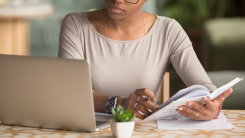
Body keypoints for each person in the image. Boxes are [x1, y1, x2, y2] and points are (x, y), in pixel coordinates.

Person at [58, 0, 233, 120]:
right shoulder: (75, 24)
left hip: (143, 129)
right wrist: (119, 103)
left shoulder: (168, 30)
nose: (118, 0)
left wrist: (213, 108)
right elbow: (68, 92)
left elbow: (205, 87)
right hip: (90, 128)